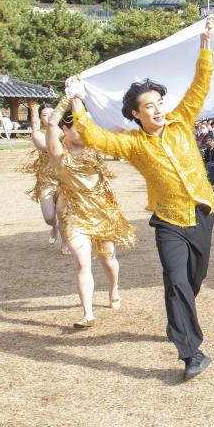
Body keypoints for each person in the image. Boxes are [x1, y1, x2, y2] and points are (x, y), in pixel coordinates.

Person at [66, 16, 214, 381]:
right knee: (176, 280)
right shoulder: (132, 144)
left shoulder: (182, 121)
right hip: (167, 221)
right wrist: (76, 99)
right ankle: (190, 352)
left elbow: (200, 85)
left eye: (160, 102)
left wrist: (205, 44)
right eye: (149, 105)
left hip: (201, 215)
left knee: (193, 281)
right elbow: (95, 137)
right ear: (136, 114)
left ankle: (179, 321)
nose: (158, 108)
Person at [46, 99, 136, 329]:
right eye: (77, 125)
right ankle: (87, 313)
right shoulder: (58, 153)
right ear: (65, 129)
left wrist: (83, 99)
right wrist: (67, 98)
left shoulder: (94, 145)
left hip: (102, 213)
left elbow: (119, 126)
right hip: (75, 215)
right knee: (81, 262)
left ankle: (113, 288)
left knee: (108, 258)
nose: (83, 130)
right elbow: (50, 125)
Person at [23, 104, 63, 248]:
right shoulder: (38, 134)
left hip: (65, 178)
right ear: (40, 118)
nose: (49, 116)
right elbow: (46, 147)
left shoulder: (66, 131)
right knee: (49, 217)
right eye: (45, 114)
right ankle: (54, 226)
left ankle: (66, 243)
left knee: (63, 212)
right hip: (47, 180)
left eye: (52, 113)